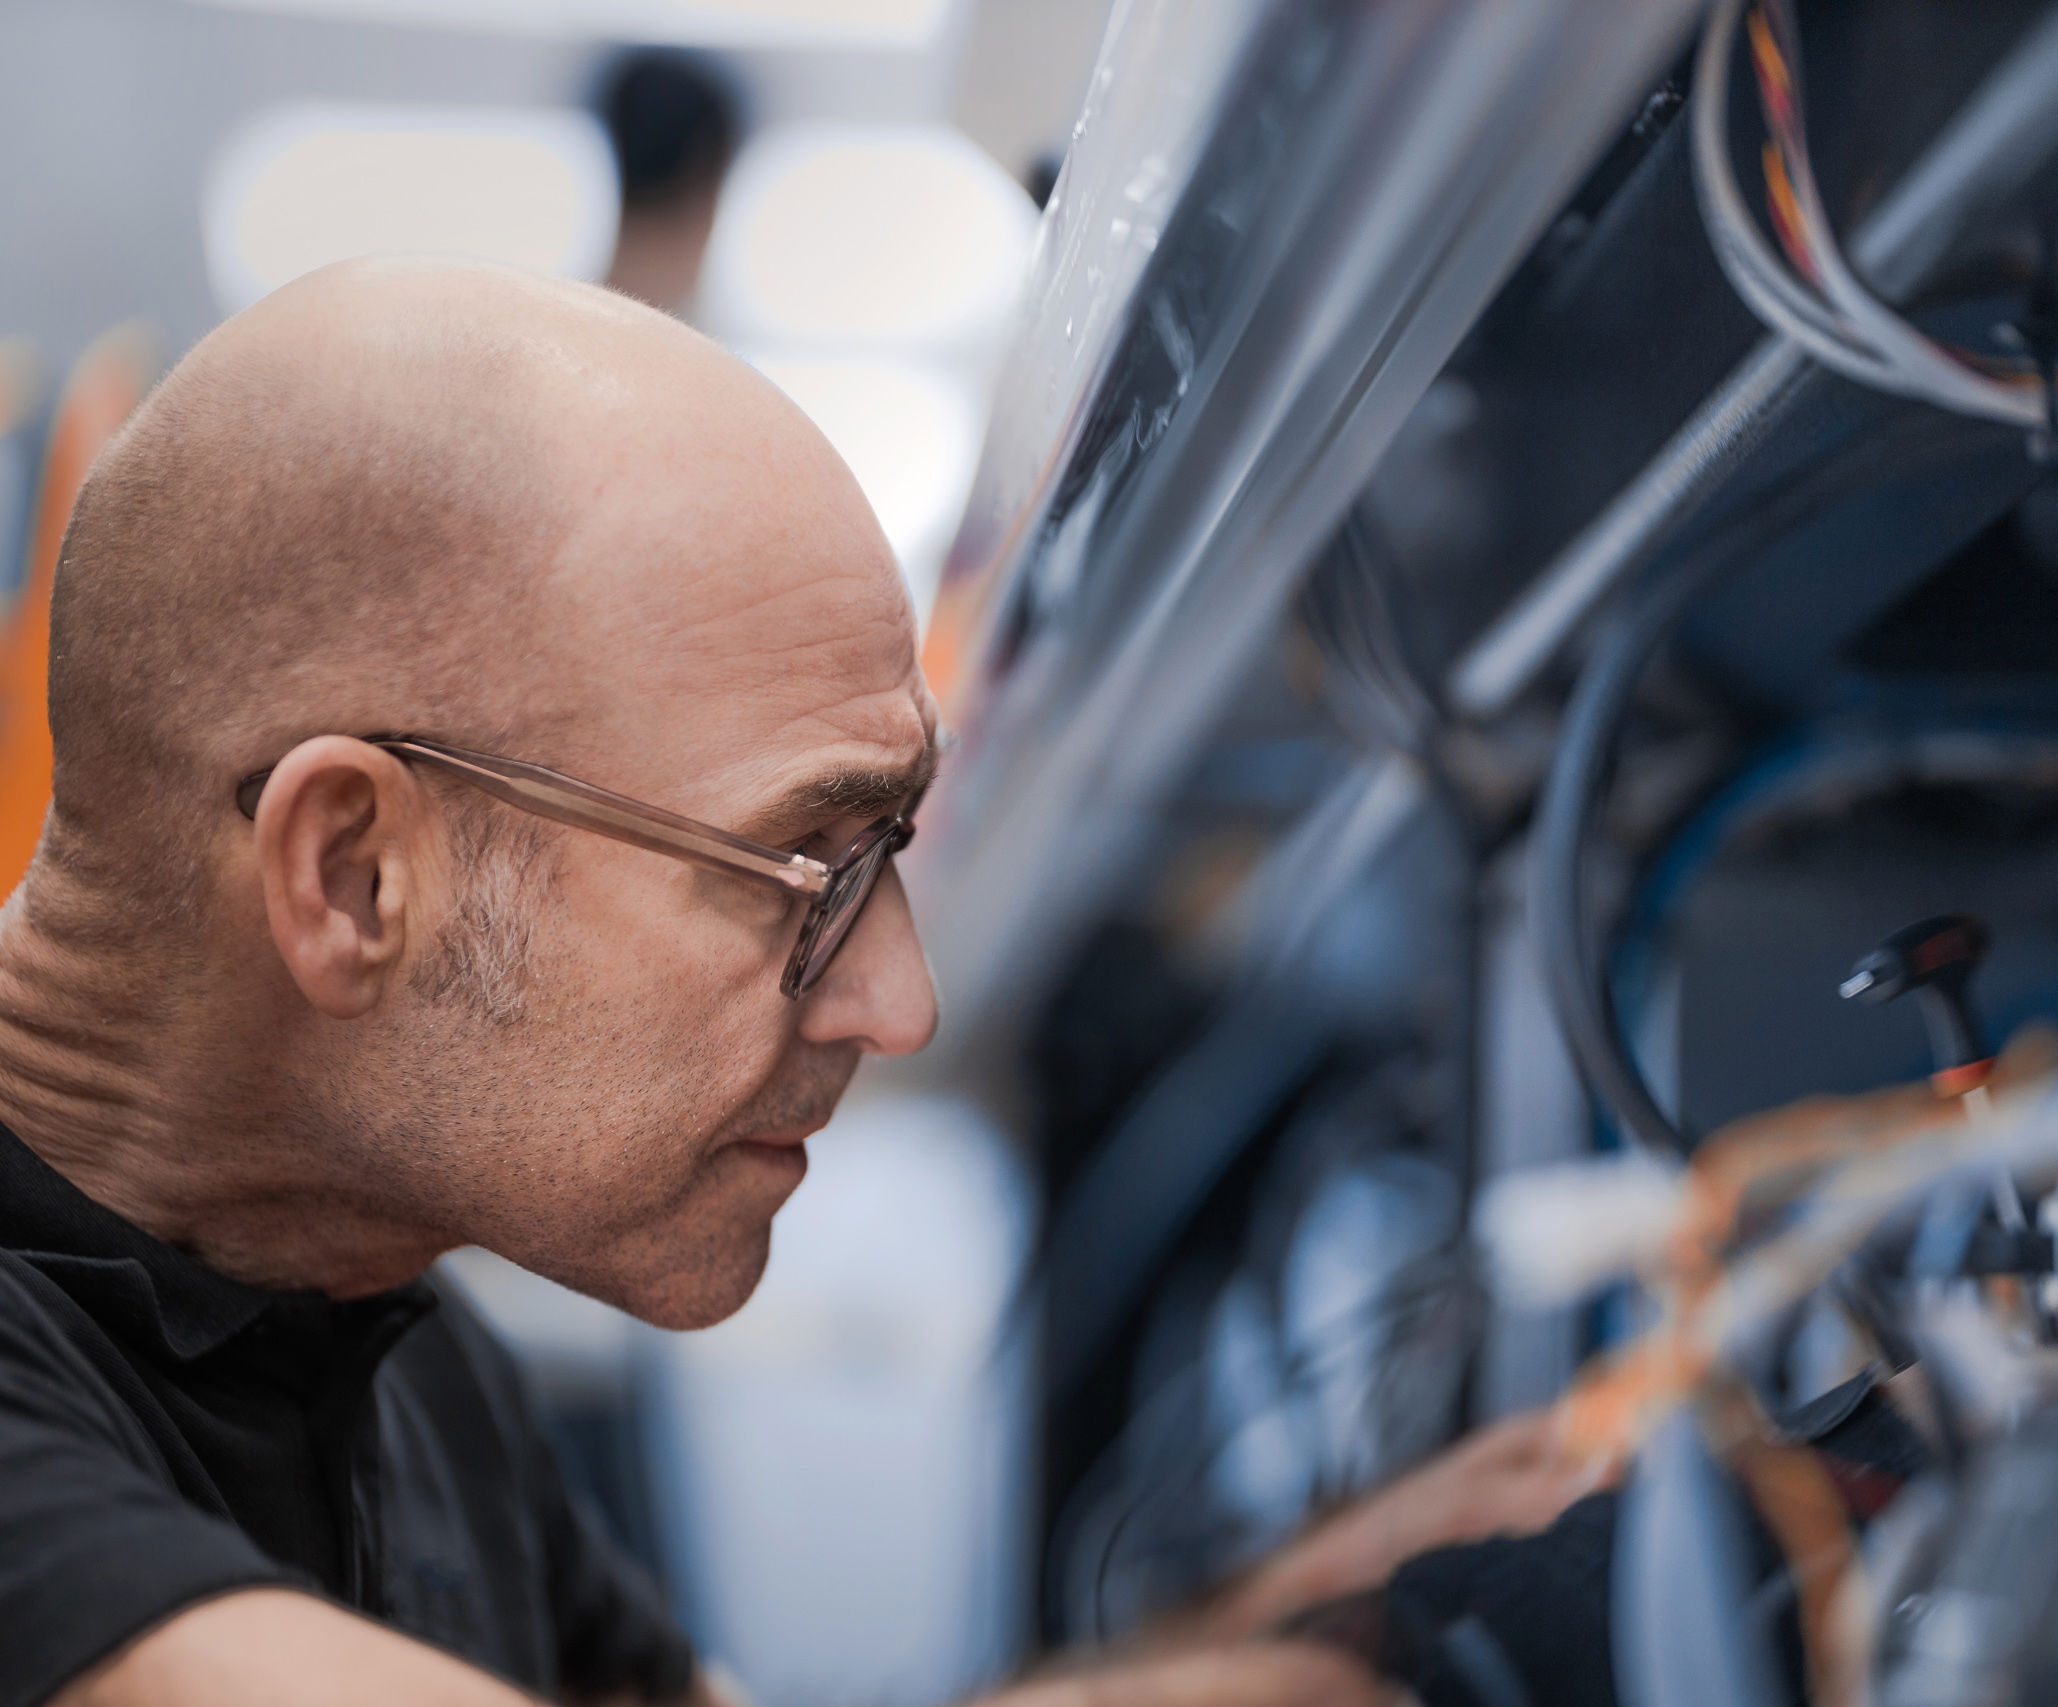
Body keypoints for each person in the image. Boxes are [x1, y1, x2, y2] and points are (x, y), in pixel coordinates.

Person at [0, 260, 1592, 1707]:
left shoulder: (389, 1347)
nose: (895, 1005)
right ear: (354, 877)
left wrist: (1319, 1617)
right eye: (809, 869)